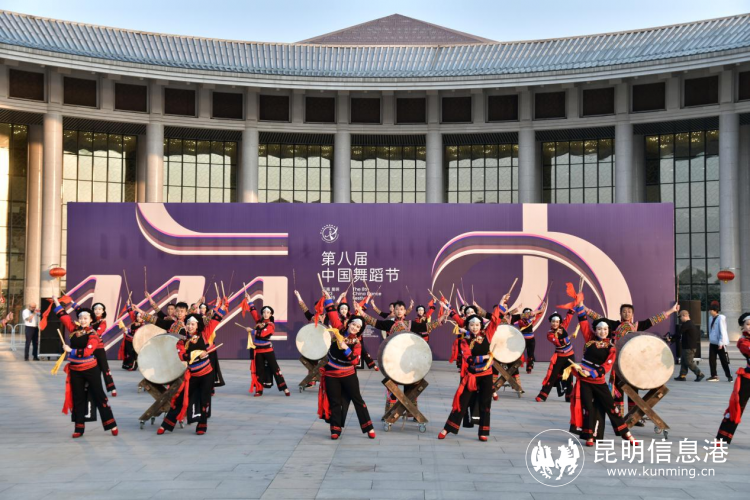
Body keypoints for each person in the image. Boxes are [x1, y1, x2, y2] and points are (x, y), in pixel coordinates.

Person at [569, 307, 637, 447]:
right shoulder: (590, 340)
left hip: (598, 382)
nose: (602, 331)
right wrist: (580, 306)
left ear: (609, 331)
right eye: (599, 329)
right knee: (589, 408)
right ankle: (590, 436)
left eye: (605, 329)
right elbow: (584, 324)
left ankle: (626, 434)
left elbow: (607, 366)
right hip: (584, 381)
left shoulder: (611, 348)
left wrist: (592, 373)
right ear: (595, 330)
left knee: (611, 408)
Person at [53, 296, 118, 438]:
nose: (83, 320)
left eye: (85, 318)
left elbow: (88, 351)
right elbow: (64, 317)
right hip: (75, 370)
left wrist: (71, 351)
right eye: (81, 318)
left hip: (90, 369)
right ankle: (79, 428)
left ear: (90, 320)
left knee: (100, 396)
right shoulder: (74, 329)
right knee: (78, 398)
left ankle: (111, 423)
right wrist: (56, 302)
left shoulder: (93, 334)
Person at [438, 306, 505, 442]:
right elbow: (469, 359)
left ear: (481, 326)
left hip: (486, 374)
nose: (475, 327)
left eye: (477, 325)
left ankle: (483, 431)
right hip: (472, 376)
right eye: (472, 325)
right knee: (462, 402)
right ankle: (447, 428)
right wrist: (484, 357)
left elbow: (495, 320)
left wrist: (502, 304)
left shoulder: (487, 335)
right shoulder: (465, 341)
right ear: (468, 326)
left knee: (485, 403)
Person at [157, 306, 224, 436]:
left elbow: (215, 321)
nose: (190, 326)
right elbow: (182, 356)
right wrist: (198, 354)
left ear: (197, 326)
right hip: (192, 375)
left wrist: (222, 307)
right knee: (180, 399)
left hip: (206, 374)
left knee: (204, 400)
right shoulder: (182, 341)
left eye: (193, 324)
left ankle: (202, 425)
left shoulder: (204, 335)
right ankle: (166, 424)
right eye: (188, 324)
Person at [318, 291, 376, 440]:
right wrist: (328, 298)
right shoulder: (339, 329)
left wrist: (346, 349)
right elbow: (332, 315)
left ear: (360, 330)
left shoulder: (357, 343)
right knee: (335, 401)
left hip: (348, 374)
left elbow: (355, 361)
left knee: (357, 400)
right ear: (349, 323)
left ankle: (368, 427)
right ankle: (335, 429)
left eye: (358, 327)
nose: (355, 327)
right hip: (331, 373)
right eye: (354, 324)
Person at [244, 297, 290, 397]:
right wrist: (250, 301)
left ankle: (284, 388)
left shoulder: (271, 325)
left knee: (275, 368)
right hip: (258, 350)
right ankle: (259, 389)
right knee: (259, 370)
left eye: (268, 312)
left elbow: (263, 334)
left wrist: (252, 331)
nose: (265, 314)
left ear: (271, 314)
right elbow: (254, 313)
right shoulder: (259, 322)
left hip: (268, 350)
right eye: (264, 312)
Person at [716, 313, 750, 445]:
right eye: (748, 324)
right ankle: (722, 438)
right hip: (747, 379)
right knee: (736, 407)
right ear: (743, 326)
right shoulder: (743, 341)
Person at [536, 311, 575, 403]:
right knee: (552, 375)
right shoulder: (549, 334)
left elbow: (568, 318)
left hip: (570, 355)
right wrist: (569, 337)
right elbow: (559, 342)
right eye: (553, 321)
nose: (555, 323)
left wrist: (573, 307)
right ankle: (543, 395)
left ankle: (569, 396)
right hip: (560, 356)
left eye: (557, 322)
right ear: (550, 322)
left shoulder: (563, 327)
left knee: (569, 376)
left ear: (560, 322)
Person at [673, 310, 704, 382]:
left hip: (689, 347)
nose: (680, 319)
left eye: (680, 317)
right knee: (684, 361)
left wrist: (671, 338)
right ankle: (682, 376)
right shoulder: (691, 323)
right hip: (688, 346)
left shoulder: (687, 324)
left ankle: (699, 374)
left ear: (684, 315)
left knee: (688, 362)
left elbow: (679, 333)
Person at [707, 301, 732, 382]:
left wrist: (721, 343)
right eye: (709, 310)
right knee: (712, 360)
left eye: (711, 310)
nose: (710, 311)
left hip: (720, 343)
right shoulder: (710, 318)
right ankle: (714, 375)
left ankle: (729, 376)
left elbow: (723, 331)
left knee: (724, 360)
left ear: (715, 311)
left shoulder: (721, 318)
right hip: (713, 342)